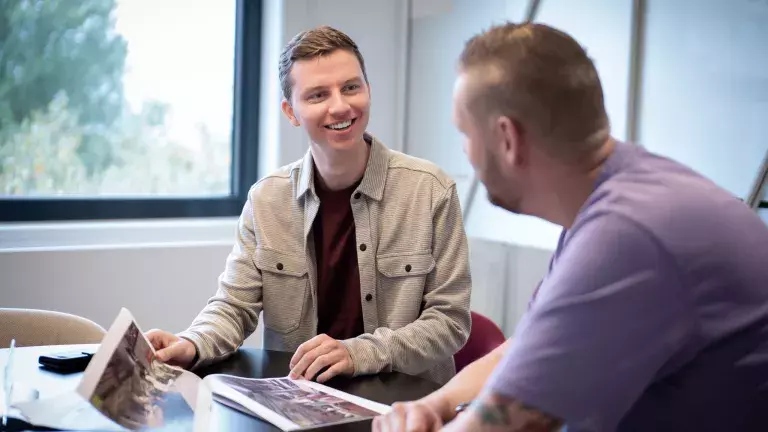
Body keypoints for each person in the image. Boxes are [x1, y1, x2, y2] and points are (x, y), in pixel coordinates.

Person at [374, 22, 768, 432]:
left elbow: (508, 422)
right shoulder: (622, 196)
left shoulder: (627, 236)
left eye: (465, 132)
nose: (464, 150)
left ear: (507, 139)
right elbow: (529, 353)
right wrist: (433, 405)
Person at [145, 26, 472, 385]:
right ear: (291, 112)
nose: (340, 106)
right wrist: (192, 343)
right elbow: (234, 306)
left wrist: (359, 353)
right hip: (300, 398)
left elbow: (449, 321)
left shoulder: (431, 190)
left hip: (404, 400)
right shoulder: (266, 200)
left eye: (351, 87)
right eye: (318, 95)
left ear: (368, 89)